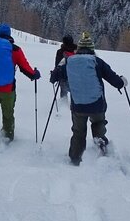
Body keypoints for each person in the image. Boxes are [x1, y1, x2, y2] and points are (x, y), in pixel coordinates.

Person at [50, 32, 126, 165]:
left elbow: (54, 78)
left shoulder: (69, 62)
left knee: (78, 132)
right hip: (97, 104)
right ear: (92, 49)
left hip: (78, 105)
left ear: (78, 49)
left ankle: (75, 159)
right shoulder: (97, 62)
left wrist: (60, 67)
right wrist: (122, 82)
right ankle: (103, 154)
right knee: (98, 125)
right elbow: (116, 81)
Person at [53, 35, 77, 100]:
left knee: (63, 93)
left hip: (63, 75)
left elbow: (57, 64)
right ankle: (73, 104)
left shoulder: (60, 51)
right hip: (75, 75)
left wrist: (55, 74)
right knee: (74, 92)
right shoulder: (77, 51)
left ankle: (63, 104)